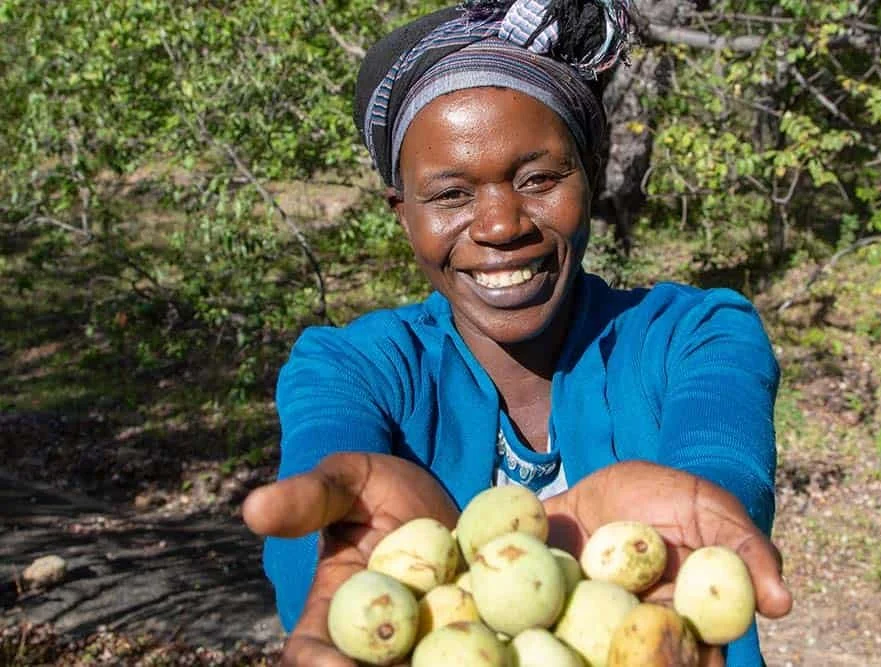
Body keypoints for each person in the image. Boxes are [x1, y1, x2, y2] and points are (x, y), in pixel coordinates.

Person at [241, 1, 793, 665]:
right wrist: (344, 541)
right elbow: (317, 529)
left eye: (537, 178)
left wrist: (694, 523)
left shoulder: (696, 334)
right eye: (450, 194)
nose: (500, 225)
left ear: (588, 175)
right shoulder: (348, 366)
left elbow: (720, 459)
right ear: (404, 214)